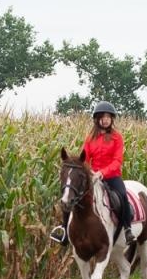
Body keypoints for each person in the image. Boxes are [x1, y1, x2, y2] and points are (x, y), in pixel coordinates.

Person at [52, 101, 136, 244]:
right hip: (93, 177)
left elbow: (117, 161)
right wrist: (89, 171)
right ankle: (65, 230)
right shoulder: (90, 138)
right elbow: (85, 157)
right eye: (102, 117)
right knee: (69, 196)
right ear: (97, 119)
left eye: (108, 117)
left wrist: (102, 173)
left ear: (112, 119)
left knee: (122, 195)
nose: (105, 120)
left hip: (111, 176)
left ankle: (127, 229)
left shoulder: (117, 138)